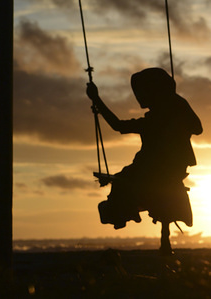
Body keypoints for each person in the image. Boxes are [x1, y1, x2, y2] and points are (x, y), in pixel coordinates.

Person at [86, 67, 203, 255]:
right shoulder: (171, 111)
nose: (138, 97)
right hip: (169, 168)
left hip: (155, 169)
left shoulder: (160, 118)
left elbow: (119, 126)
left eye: (140, 92)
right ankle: (123, 212)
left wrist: (97, 100)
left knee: (123, 181)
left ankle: (121, 213)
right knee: (123, 178)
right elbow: (197, 129)